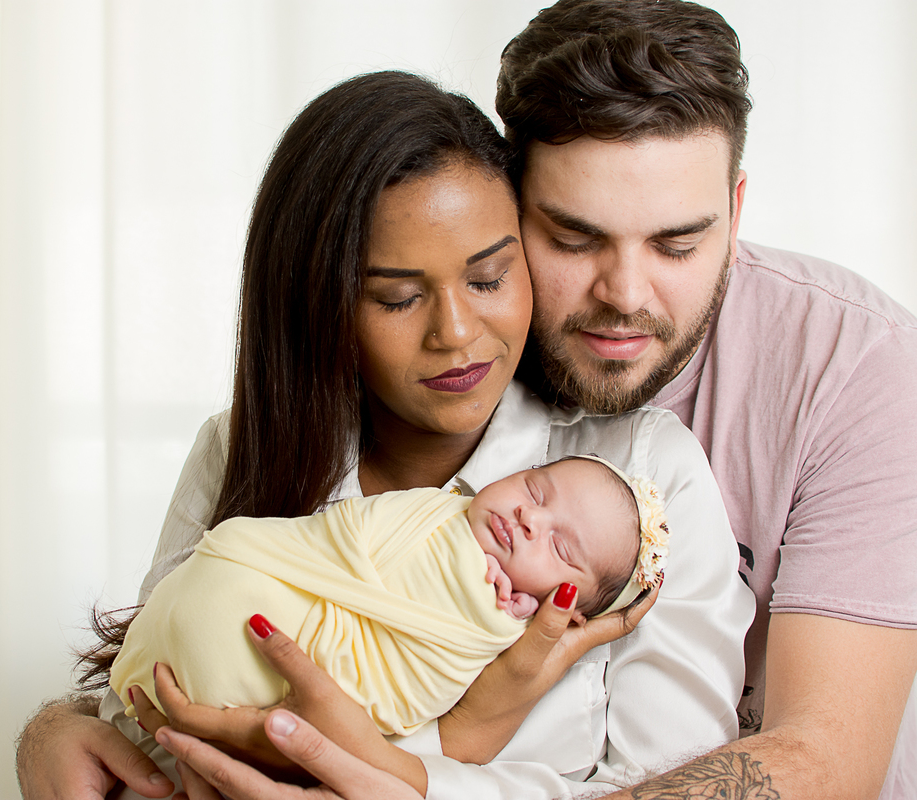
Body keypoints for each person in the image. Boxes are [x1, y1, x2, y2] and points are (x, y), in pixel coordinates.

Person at [161, 2, 917, 799]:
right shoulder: (418, 381)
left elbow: (827, 760)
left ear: (733, 212)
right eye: (574, 238)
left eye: (678, 243)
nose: (624, 295)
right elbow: (154, 679)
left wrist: (415, 774)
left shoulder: (848, 368)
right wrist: (63, 727)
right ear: (508, 203)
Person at [15, 70, 752, 800]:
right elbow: (140, 712)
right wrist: (54, 729)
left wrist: (408, 769)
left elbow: (681, 790)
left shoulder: (641, 475)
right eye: (397, 297)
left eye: (490, 279)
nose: (457, 334)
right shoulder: (241, 445)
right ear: (321, 304)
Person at [90, 456, 667, 739]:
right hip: (235, 582)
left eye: (561, 549)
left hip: (274, 682)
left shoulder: (505, 621)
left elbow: (418, 666)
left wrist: (487, 611)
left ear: (565, 611)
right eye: (535, 488)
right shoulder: (441, 506)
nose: (529, 517)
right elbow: (340, 537)